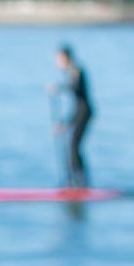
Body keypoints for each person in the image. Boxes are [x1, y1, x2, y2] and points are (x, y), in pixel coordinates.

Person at [52, 44, 95, 190]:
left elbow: (75, 87)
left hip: (85, 112)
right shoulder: (71, 71)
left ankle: (79, 183)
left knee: (73, 147)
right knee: (72, 147)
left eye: (58, 58)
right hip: (79, 112)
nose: (56, 61)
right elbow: (76, 104)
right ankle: (74, 181)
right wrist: (64, 123)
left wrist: (58, 88)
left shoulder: (75, 69)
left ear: (65, 57)